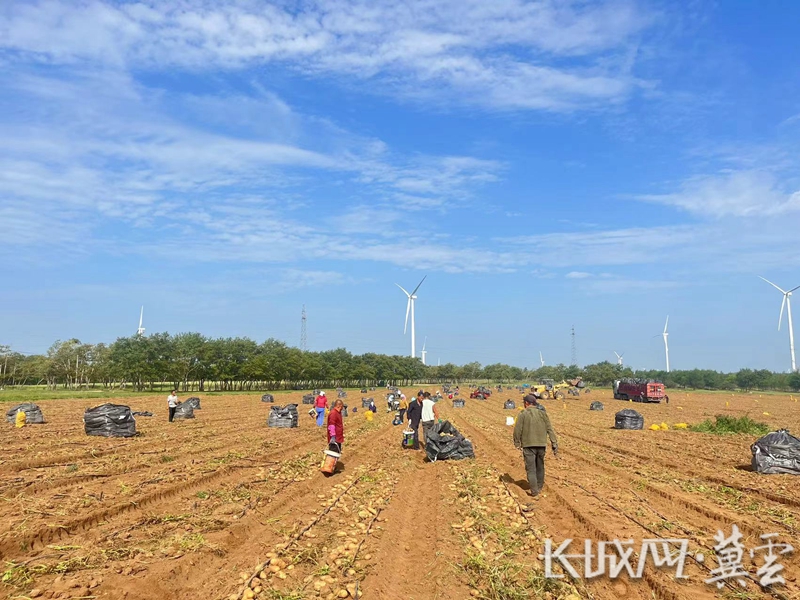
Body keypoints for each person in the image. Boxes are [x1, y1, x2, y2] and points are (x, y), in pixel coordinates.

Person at [513, 394, 558, 502]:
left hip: (528, 445)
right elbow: (550, 429)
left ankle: (534, 491)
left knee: (531, 469)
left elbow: (517, 430)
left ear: (527, 403)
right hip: (541, 445)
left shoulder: (523, 414)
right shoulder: (543, 414)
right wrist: (554, 443)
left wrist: (517, 443)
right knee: (540, 466)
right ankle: (539, 486)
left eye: (524, 403)